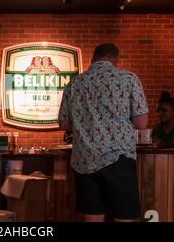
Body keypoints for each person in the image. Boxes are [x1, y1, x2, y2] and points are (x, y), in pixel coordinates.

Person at [58, 43, 149, 222]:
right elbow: (141, 122)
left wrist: (85, 121)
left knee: (93, 215)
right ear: (115, 59)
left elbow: (64, 124)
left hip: (84, 159)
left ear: (93, 59)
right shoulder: (128, 79)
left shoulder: (74, 83)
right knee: (124, 217)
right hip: (118, 156)